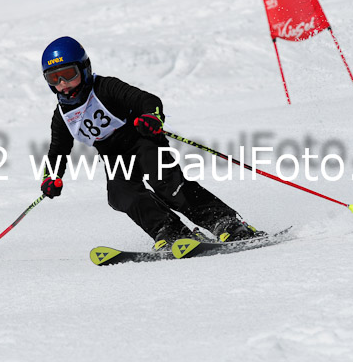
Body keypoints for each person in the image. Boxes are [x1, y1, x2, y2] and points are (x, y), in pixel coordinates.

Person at [40, 36, 264, 251]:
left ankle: (224, 221)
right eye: (54, 78)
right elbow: (58, 150)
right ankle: (171, 230)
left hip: (142, 141)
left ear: (85, 68)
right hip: (115, 157)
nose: (63, 84)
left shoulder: (105, 88)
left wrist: (151, 117)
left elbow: (147, 100)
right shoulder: (62, 115)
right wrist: (52, 176)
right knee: (121, 196)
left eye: (69, 74)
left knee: (167, 184)